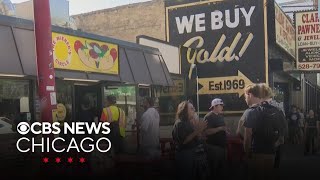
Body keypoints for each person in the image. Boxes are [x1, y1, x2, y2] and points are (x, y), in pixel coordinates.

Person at [243, 84, 280, 180]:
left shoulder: (250, 112)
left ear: (250, 95)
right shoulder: (274, 110)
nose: (245, 99)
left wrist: (246, 154)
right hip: (271, 151)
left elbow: (247, 136)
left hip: (257, 152)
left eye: (245, 96)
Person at [172, 101, 209, 180]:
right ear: (184, 110)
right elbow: (184, 141)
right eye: (191, 108)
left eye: (194, 108)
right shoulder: (180, 123)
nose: (194, 109)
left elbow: (194, 137)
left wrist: (200, 134)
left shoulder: (188, 122)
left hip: (192, 154)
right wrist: (197, 130)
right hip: (185, 156)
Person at [203, 98, 227, 179]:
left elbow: (222, 127)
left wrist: (225, 130)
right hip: (213, 148)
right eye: (221, 106)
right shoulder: (208, 117)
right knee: (213, 170)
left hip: (222, 147)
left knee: (221, 170)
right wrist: (220, 129)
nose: (222, 108)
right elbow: (206, 132)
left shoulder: (220, 115)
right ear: (215, 106)